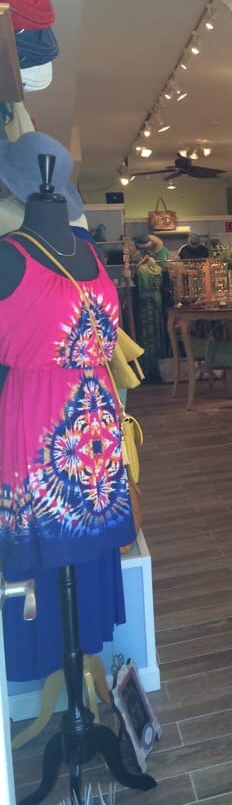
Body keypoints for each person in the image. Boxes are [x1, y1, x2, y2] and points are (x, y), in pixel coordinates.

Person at [0, 131, 133, 679]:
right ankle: (59, 675)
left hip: (96, 429)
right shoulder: (7, 256)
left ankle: (83, 670)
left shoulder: (88, 252)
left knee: (88, 558)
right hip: (39, 431)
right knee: (48, 557)